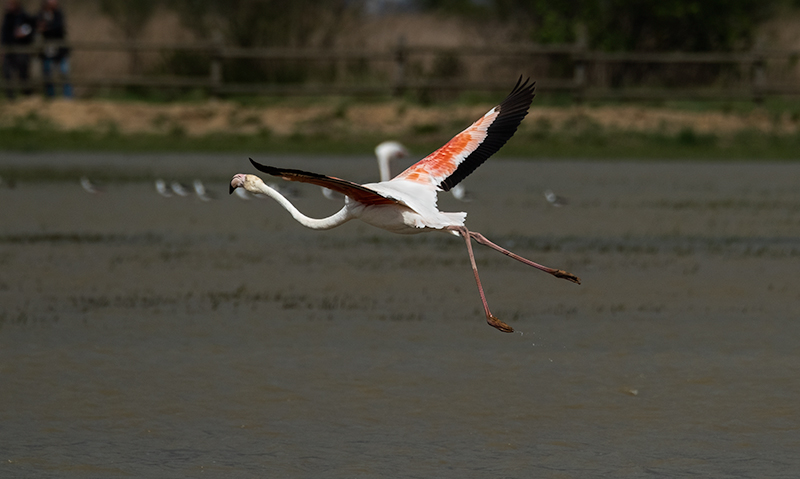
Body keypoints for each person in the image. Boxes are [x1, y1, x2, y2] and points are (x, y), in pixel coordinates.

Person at [1, 0, 35, 99]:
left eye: (9, 4)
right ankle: (10, 97)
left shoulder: (24, 16)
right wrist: (3, 48)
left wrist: (24, 34)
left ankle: (27, 95)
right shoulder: (7, 17)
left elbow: (31, 29)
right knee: (6, 72)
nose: (7, 6)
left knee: (23, 73)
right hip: (9, 50)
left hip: (21, 50)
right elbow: (4, 34)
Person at [37, 0, 70, 98]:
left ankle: (68, 98)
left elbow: (59, 27)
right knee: (48, 74)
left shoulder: (59, 14)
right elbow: (38, 27)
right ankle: (50, 97)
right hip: (47, 49)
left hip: (60, 50)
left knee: (64, 73)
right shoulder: (41, 14)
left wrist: (46, 27)